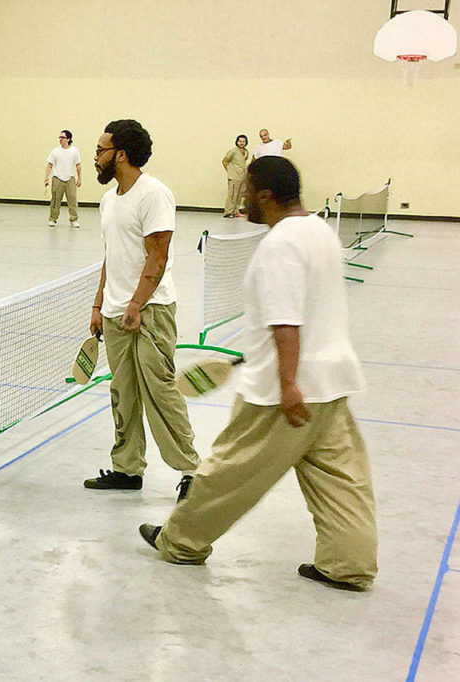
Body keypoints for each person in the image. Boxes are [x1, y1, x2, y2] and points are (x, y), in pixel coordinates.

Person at [139, 157, 377, 592]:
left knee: (228, 473)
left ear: (264, 194)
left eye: (248, 188)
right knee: (342, 479)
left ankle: (180, 542)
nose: (243, 195)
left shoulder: (279, 245)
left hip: (281, 391)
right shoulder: (321, 231)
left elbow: (286, 323)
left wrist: (288, 384)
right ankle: (349, 564)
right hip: (334, 381)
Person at [85, 119, 199, 500]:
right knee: (124, 393)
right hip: (117, 312)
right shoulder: (109, 198)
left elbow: (158, 256)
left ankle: (191, 471)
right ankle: (127, 468)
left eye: (101, 150)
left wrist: (136, 304)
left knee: (160, 391)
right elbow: (111, 255)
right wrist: (100, 303)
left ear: (120, 154)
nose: (96, 156)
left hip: (151, 312)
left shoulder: (154, 195)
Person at [44, 130, 82, 228]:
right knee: (55, 200)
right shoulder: (55, 151)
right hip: (57, 178)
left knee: (72, 200)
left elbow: (78, 166)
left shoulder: (74, 151)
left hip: (70, 178)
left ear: (68, 139)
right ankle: (53, 219)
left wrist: (79, 179)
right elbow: (49, 165)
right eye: (59, 137)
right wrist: (46, 178)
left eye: (62, 137)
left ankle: (74, 219)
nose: (60, 139)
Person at [222, 134, 250, 218]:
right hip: (234, 176)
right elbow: (224, 161)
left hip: (242, 176)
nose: (242, 143)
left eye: (243, 141)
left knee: (239, 194)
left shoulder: (246, 152)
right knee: (232, 194)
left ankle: (235, 211)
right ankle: (228, 212)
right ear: (237, 142)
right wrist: (229, 171)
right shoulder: (233, 151)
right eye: (240, 141)